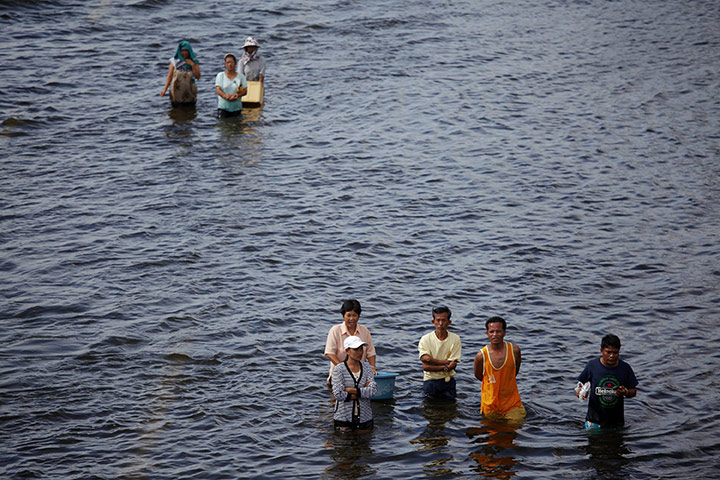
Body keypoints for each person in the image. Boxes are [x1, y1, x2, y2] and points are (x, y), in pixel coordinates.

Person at [576, 334, 638, 430]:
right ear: (601, 351)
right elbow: (580, 387)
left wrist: (625, 392)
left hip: (616, 423)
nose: (612, 356)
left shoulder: (625, 368)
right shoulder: (592, 366)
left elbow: (633, 391)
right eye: (608, 352)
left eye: (615, 352)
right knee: (594, 444)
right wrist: (582, 393)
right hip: (594, 422)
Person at [473, 316, 526, 422]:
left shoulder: (514, 350)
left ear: (504, 333)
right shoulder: (481, 356)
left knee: (514, 428)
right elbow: (479, 376)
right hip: (490, 405)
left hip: (512, 404)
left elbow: (515, 371)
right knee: (493, 435)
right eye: (491, 331)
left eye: (498, 331)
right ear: (487, 333)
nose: (495, 335)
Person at [324, 300, 377, 385]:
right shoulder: (335, 330)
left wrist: (372, 368)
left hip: (360, 376)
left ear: (359, 316)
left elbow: (370, 353)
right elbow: (329, 353)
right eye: (348, 315)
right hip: (339, 376)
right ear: (343, 316)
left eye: (354, 315)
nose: (351, 319)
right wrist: (345, 370)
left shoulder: (364, 331)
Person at [331, 336, 378, 432]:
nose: (360, 352)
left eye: (361, 349)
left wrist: (350, 390)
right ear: (347, 351)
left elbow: (372, 391)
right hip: (343, 419)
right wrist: (362, 392)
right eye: (356, 349)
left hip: (365, 418)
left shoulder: (367, 367)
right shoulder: (339, 369)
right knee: (342, 445)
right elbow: (338, 394)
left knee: (365, 445)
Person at [418, 305, 461, 400]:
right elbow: (426, 366)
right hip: (430, 381)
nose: (440, 323)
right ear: (433, 322)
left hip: (448, 382)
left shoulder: (455, 339)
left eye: (444, 320)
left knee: (450, 410)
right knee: (430, 411)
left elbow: (453, 365)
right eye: (438, 320)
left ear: (449, 322)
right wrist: (445, 364)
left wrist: (432, 362)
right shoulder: (426, 339)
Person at [160, 40, 201, 107]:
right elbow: (170, 76)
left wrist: (192, 65)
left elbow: (198, 76)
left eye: (186, 51)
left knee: (190, 112)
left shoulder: (194, 60)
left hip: (189, 91)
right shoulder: (175, 61)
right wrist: (164, 90)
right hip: (176, 91)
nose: (184, 53)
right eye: (182, 51)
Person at [215, 53, 247, 118]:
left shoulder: (241, 77)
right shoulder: (220, 75)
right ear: (225, 64)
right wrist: (225, 96)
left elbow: (245, 91)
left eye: (232, 62)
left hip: (236, 107)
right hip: (223, 107)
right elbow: (218, 90)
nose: (230, 64)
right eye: (228, 62)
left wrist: (237, 95)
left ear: (235, 63)